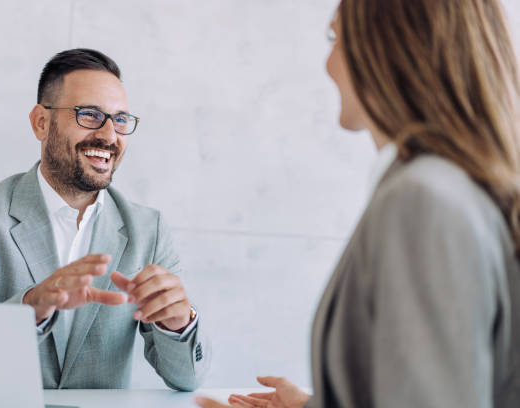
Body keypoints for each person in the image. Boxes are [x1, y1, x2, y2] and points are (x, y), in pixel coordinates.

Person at [196, 0, 520, 406]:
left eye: (337, 38)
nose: (328, 63)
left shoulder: (423, 199)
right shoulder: (460, 188)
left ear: (389, 47)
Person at [0, 48, 210, 391]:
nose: (109, 136)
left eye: (120, 120)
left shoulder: (148, 230)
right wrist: (32, 306)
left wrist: (180, 324)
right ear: (41, 122)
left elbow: (186, 380)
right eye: (89, 114)